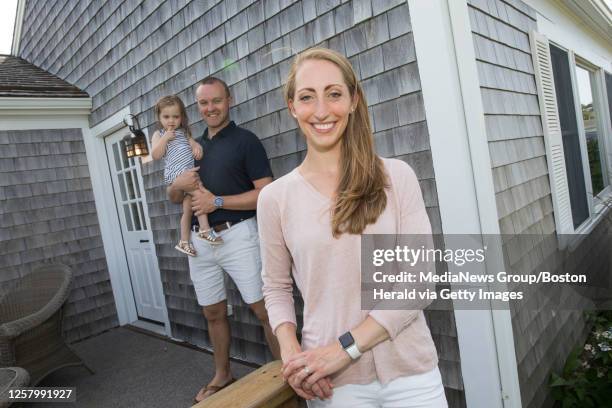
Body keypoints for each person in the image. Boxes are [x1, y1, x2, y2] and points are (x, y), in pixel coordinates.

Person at [257, 48, 448, 407]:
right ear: (291, 107)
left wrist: (345, 348)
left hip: (411, 374)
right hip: (331, 385)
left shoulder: (396, 177)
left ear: (354, 99)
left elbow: (420, 281)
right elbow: (276, 287)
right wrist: (291, 353)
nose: (322, 111)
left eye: (333, 94)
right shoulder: (275, 198)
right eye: (307, 97)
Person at [167, 77, 281, 402]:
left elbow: (266, 193)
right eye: (203, 103)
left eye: (216, 101)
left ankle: (288, 370)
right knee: (212, 312)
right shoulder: (191, 147)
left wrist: (216, 202)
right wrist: (177, 183)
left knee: (264, 309)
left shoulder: (246, 141)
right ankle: (223, 374)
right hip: (199, 242)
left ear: (228, 100)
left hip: (238, 235)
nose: (210, 108)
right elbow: (175, 196)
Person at [151, 95, 222, 257]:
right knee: (201, 195)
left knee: (188, 208)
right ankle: (205, 229)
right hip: (176, 176)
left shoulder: (183, 133)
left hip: (189, 173)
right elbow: (156, 154)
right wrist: (164, 139)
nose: (171, 121)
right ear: (159, 117)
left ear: (182, 117)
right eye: (166, 117)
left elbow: (193, 145)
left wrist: (197, 148)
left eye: (175, 116)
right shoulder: (159, 134)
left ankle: (184, 241)